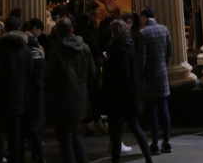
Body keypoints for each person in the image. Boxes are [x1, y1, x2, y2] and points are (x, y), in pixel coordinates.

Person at [44, 17, 95, 163]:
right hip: (80, 96)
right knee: (75, 134)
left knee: (65, 138)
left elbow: (50, 77)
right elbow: (92, 72)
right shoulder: (84, 47)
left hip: (62, 98)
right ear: (72, 30)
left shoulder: (57, 50)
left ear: (57, 32)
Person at [103, 20, 153, 163]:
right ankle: (148, 159)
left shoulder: (117, 48)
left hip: (118, 98)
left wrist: (108, 61)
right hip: (131, 96)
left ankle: (115, 161)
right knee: (135, 128)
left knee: (116, 133)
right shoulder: (129, 44)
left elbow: (120, 73)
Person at [0, 16, 32, 163]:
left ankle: (0, 156)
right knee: (16, 131)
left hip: (1, 95)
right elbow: (30, 73)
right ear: (19, 29)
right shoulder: (25, 49)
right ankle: (17, 158)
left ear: (5, 29)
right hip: (20, 95)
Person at [138, 7, 173, 156]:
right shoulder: (164, 29)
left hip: (149, 76)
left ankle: (155, 144)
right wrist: (162, 64)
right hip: (162, 75)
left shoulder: (142, 33)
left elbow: (142, 58)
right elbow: (169, 51)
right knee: (164, 109)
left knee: (152, 111)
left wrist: (141, 75)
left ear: (144, 17)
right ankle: (167, 142)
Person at [22, 27, 46, 163]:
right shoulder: (41, 59)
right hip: (39, 95)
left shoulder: (28, 61)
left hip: (29, 95)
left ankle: (38, 155)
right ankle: (39, 155)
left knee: (31, 128)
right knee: (36, 128)